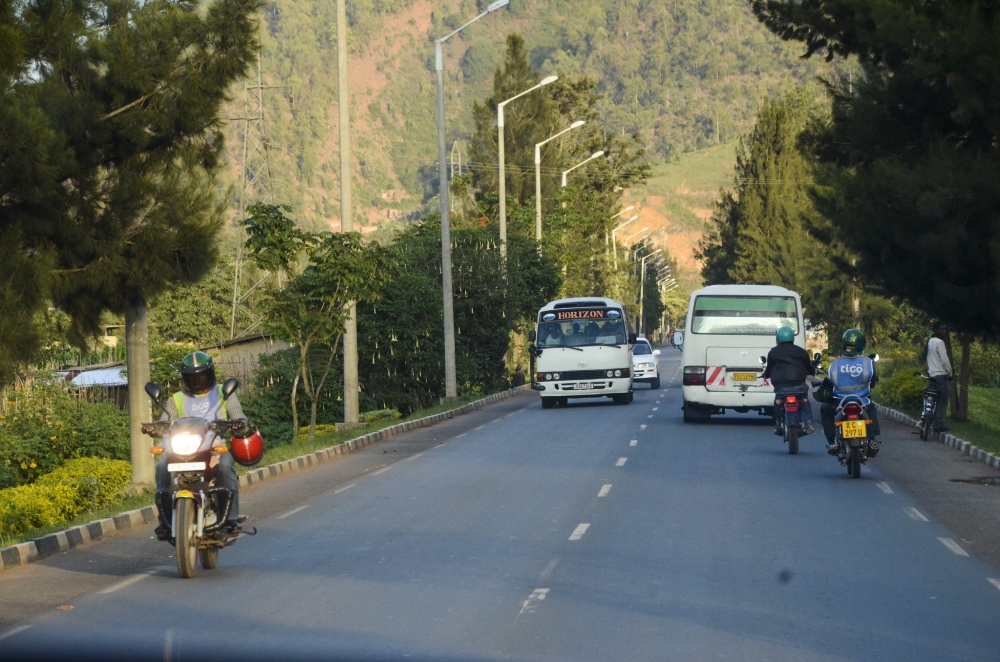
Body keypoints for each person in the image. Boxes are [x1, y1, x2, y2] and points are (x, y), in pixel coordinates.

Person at [152, 351, 248, 540]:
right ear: (185, 378)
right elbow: (165, 421)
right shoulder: (176, 399)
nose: (196, 379)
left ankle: (231, 517)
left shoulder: (223, 393)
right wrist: (155, 428)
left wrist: (238, 422)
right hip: (184, 448)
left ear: (209, 374)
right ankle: (165, 520)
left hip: (214, 448)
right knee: (162, 467)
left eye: (201, 374)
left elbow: (238, 414)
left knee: (226, 465)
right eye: (191, 376)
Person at [819, 328, 881, 453]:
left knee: (824, 409)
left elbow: (831, 383)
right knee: (872, 408)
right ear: (861, 345)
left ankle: (832, 442)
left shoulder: (834, 365)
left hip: (839, 403)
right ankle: (872, 440)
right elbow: (873, 382)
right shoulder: (868, 363)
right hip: (862, 402)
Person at [762, 325, 815, 435]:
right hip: (800, 387)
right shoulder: (801, 351)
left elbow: (769, 369)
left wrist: (765, 375)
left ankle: (778, 423)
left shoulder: (773, 352)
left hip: (781, 388)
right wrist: (813, 372)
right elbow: (809, 367)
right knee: (805, 403)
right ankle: (809, 422)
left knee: (777, 403)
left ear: (778, 338)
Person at [926, 321, 953, 432]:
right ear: (935, 330)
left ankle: (929, 419)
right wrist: (950, 373)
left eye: (945, 330)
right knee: (942, 401)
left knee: (933, 400)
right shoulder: (940, 342)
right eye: (941, 330)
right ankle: (939, 425)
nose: (944, 332)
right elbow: (945, 360)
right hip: (941, 375)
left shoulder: (930, 341)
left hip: (932, 374)